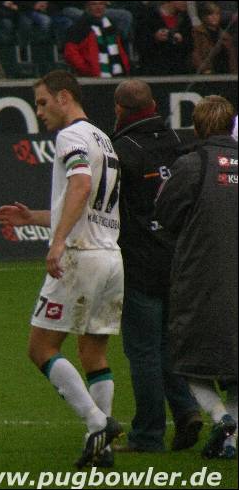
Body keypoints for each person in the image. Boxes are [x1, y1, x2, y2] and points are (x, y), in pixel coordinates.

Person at [0, 70, 123, 468]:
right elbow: (86, 203)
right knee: (93, 353)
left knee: (41, 348)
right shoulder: (102, 138)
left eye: (43, 102)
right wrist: (34, 217)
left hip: (81, 257)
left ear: (64, 97)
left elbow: (80, 186)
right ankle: (100, 447)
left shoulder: (70, 136)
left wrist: (57, 242)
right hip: (111, 257)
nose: (38, 111)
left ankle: (97, 422)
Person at [110, 79, 202, 453]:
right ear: (153, 106)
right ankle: (186, 410)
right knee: (166, 345)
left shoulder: (121, 151)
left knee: (143, 351)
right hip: (177, 259)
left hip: (140, 263)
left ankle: (148, 434)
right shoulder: (178, 143)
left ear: (120, 110)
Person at [155, 95, 238, 460]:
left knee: (187, 360)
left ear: (199, 126)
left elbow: (165, 213)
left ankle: (220, 417)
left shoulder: (191, 164)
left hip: (202, 278)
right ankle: (231, 442)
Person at [63, 1, 130, 78]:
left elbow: (121, 51)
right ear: (87, 7)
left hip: (117, 75)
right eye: (94, 4)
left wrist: (126, 67)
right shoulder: (78, 28)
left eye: (101, 4)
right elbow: (71, 53)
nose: (98, 7)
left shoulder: (112, 27)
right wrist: (86, 70)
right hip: (91, 77)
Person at [135, 1, 193, 75]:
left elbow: (190, 45)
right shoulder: (148, 15)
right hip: (153, 68)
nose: (186, 3)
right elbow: (140, 43)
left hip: (178, 68)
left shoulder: (185, 18)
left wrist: (181, 40)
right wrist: (155, 38)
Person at [191, 1, 238, 74]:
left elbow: (232, 58)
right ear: (203, 16)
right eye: (210, 14)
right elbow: (195, 54)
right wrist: (204, 70)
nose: (214, 17)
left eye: (217, 14)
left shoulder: (226, 36)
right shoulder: (197, 32)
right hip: (206, 73)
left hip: (225, 73)